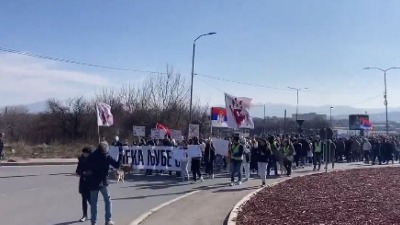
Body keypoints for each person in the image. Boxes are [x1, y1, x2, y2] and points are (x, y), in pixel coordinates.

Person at [86, 143, 123, 225]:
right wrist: (121, 155)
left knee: (93, 203)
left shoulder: (92, 156)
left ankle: (93, 222)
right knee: (108, 200)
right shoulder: (107, 156)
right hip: (103, 181)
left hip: (93, 181)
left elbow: (87, 166)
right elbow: (117, 165)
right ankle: (108, 220)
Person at [75, 147, 92, 222]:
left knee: (91, 199)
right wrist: (82, 173)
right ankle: (84, 215)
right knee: (84, 199)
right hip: (83, 181)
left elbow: (94, 170)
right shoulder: (81, 160)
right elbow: (77, 171)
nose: (84, 154)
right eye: (83, 153)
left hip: (90, 182)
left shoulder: (92, 160)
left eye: (86, 153)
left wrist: (88, 173)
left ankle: (94, 212)